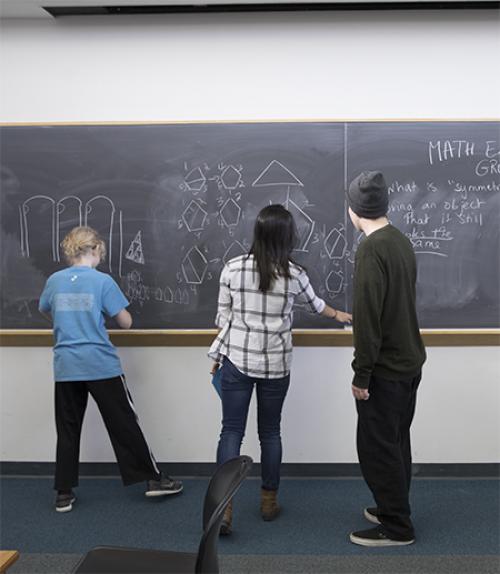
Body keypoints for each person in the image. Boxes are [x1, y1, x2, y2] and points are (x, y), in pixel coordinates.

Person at [209, 204, 352, 535]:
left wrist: (218, 352)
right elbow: (315, 305)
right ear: (288, 237)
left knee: (231, 431)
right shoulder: (294, 275)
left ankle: (224, 508)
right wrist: (338, 315)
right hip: (275, 365)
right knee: (270, 433)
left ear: (257, 232)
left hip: (237, 362)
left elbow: (223, 319)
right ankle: (268, 501)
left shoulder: (232, 268)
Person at [39, 226, 183, 512]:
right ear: (95, 249)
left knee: (67, 429)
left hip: (66, 365)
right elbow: (125, 322)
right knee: (124, 423)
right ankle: (153, 480)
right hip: (100, 364)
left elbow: (45, 309)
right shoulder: (103, 281)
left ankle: (63, 494)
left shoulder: (54, 281)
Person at [346, 171, 426, 547]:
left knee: (377, 448)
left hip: (385, 369)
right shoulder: (400, 241)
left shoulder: (371, 249)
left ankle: (396, 527)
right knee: (396, 442)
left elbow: (367, 318)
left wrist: (361, 376)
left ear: (354, 210)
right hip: (409, 362)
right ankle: (392, 506)